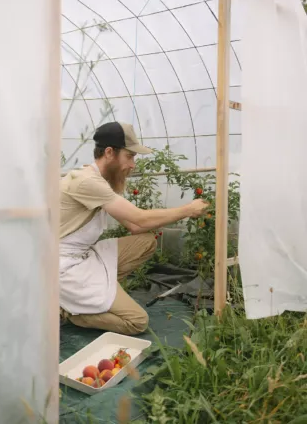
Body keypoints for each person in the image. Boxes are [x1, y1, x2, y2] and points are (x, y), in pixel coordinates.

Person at [59, 121, 208, 336]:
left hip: (83, 257)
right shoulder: (86, 182)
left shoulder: (100, 181)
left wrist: (168, 216)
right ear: (109, 153)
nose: (133, 165)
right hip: (65, 266)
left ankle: (99, 295)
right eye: (129, 156)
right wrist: (187, 209)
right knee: (137, 321)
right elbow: (140, 218)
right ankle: (72, 312)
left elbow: (135, 226)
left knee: (146, 242)